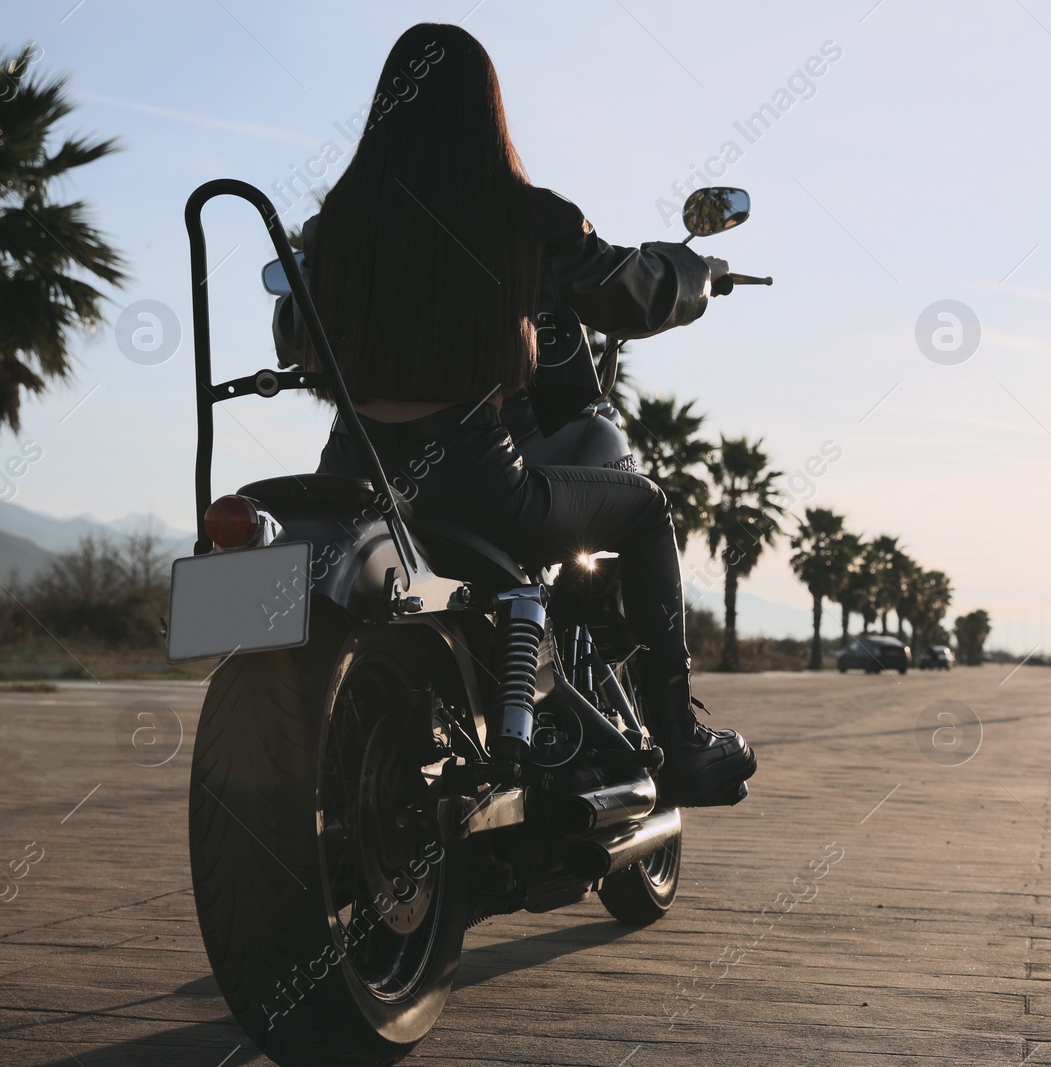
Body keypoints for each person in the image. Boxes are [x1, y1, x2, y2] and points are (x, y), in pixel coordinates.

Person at [271, 22, 754, 807]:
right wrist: (693, 270)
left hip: (350, 479)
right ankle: (681, 740)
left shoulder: (336, 226)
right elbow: (631, 291)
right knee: (646, 509)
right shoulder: (525, 217)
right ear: (485, 112)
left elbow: (295, 335)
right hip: (474, 479)